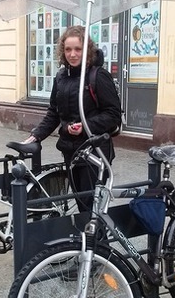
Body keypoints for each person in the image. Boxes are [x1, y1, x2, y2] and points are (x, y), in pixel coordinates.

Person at [22, 26, 122, 212]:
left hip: (95, 153)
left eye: (78, 49)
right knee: (80, 203)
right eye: (68, 49)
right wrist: (36, 135)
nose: (73, 54)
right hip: (71, 152)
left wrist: (85, 126)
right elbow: (54, 113)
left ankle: (97, 241)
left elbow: (113, 115)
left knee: (91, 210)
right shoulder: (61, 77)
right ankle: (82, 241)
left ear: (87, 50)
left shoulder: (98, 76)